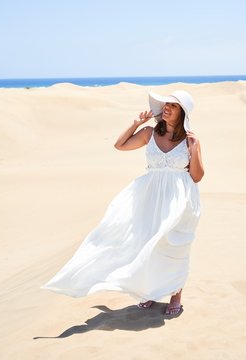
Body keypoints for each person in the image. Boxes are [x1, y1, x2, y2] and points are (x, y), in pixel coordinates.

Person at [41, 90, 204, 316]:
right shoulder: (148, 133)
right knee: (147, 243)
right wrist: (135, 124)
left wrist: (194, 149)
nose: (167, 108)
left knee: (173, 245)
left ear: (183, 112)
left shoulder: (190, 140)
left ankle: (176, 293)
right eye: (166, 104)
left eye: (173, 106)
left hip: (179, 198)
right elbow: (120, 145)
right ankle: (150, 291)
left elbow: (196, 176)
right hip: (150, 196)